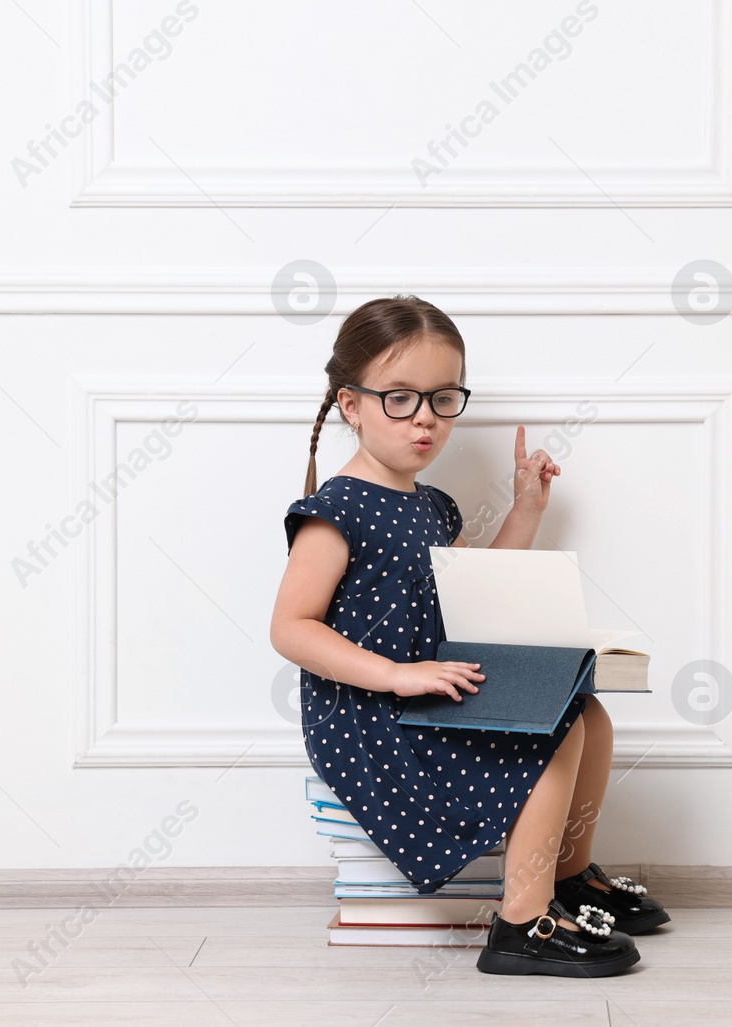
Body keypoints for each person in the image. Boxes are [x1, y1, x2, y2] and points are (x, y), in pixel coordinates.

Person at [270, 295, 668, 977]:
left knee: (589, 715)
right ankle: (521, 922)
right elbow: (290, 628)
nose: (424, 417)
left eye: (442, 397)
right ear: (350, 404)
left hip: (429, 689)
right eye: (398, 398)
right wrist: (397, 674)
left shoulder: (430, 504)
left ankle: (566, 876)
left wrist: (526, 509)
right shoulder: (335, 510)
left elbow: (472, 592)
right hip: (372, 713)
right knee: (559, 727)